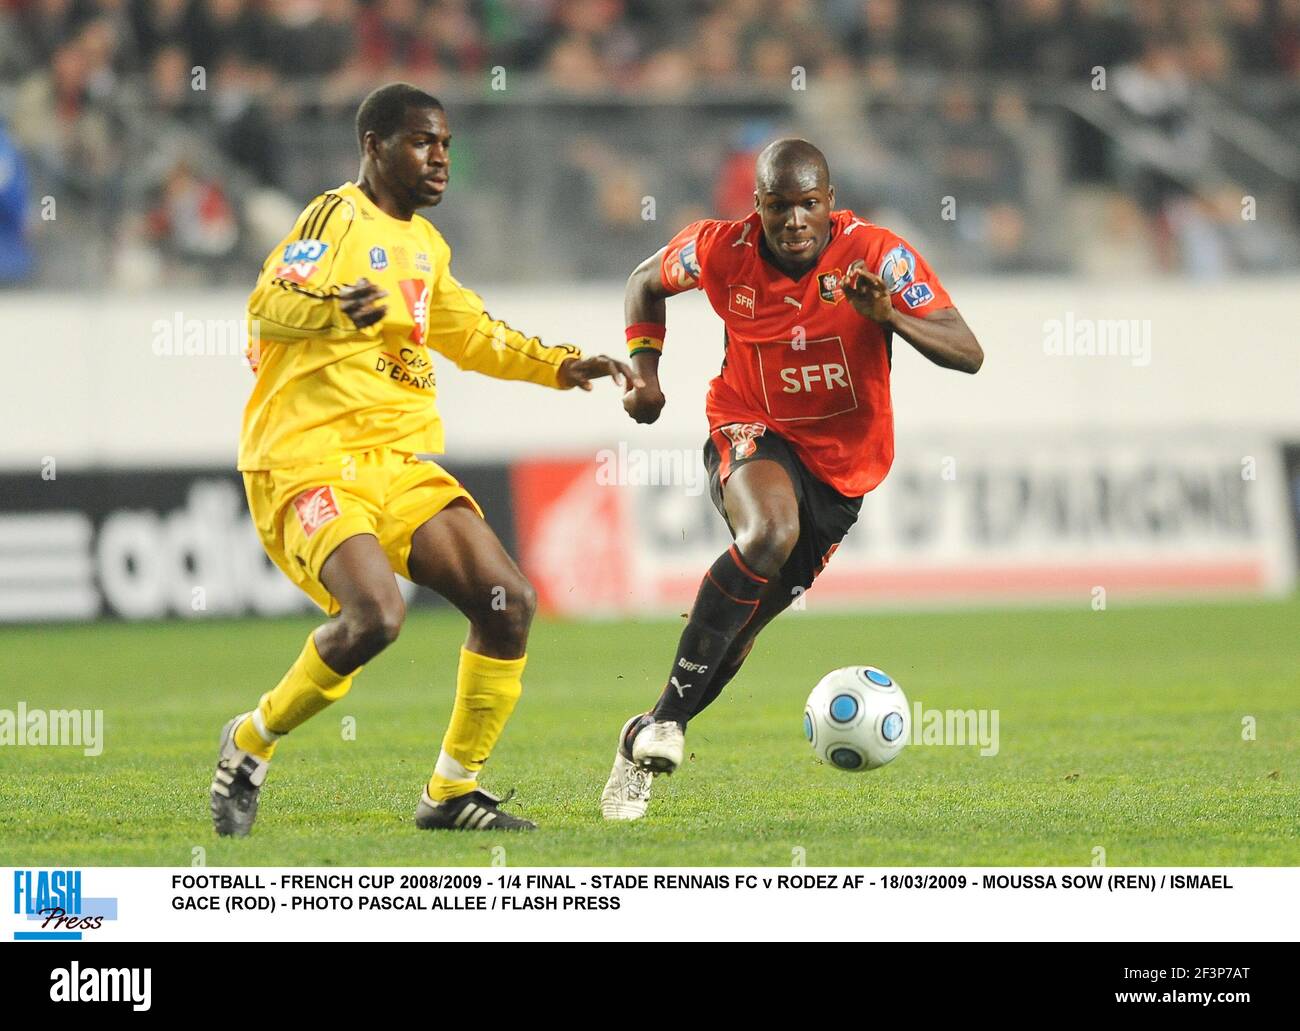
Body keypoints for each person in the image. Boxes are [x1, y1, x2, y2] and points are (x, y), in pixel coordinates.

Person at [212, 82, 634, 836]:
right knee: (376, 617)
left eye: (444, 143)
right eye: (420, 142)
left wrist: (562, 365)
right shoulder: (336, 216)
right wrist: (332, 306)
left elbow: (472, 333)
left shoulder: (426, 248)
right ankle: (251, 739)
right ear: (373, 146)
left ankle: (450, 791)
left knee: (508, 602)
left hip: (399, 463)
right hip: (311, 460)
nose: (439, 158)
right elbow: (267, 302)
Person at [600, 138, 983, 820]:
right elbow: (643, 282)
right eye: (778, 206)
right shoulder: (721, 250)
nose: (794, 220)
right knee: (770, 530)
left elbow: (968, 350)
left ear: (830, 205)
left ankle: (652, 729)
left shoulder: (879, 257)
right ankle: (661, 729)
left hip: (842, 472)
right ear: (758, 207)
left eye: (809, 204)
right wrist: (647, 371)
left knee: (739, 631)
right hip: (751, 424)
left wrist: (888, 315)